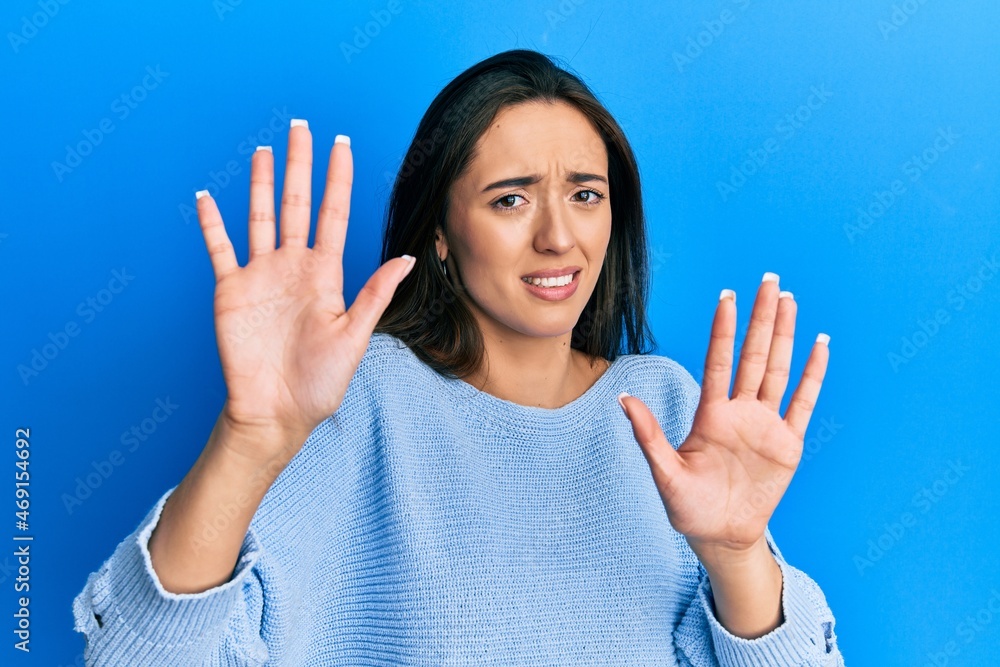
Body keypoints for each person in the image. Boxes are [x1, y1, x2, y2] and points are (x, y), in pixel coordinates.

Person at [72, 49, 845, 665]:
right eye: (510, 198)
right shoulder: (367, 394)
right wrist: (249, 439)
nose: (558, 237)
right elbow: (134, 656)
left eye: (585, 194)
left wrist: (738, 554)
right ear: (440, 234)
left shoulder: (667, 407)